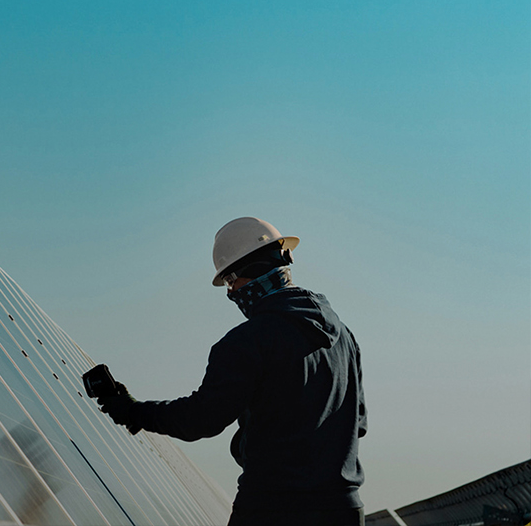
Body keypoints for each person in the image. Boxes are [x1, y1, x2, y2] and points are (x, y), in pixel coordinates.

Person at [98, 217, 366, 526]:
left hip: (272, 509)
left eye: (230, 281)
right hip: (344, 511)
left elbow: (200, 419)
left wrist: (132, 411)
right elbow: (357, 424)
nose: (231, 293)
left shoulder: (246, 341)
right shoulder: (344, 337)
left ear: (248, 273)